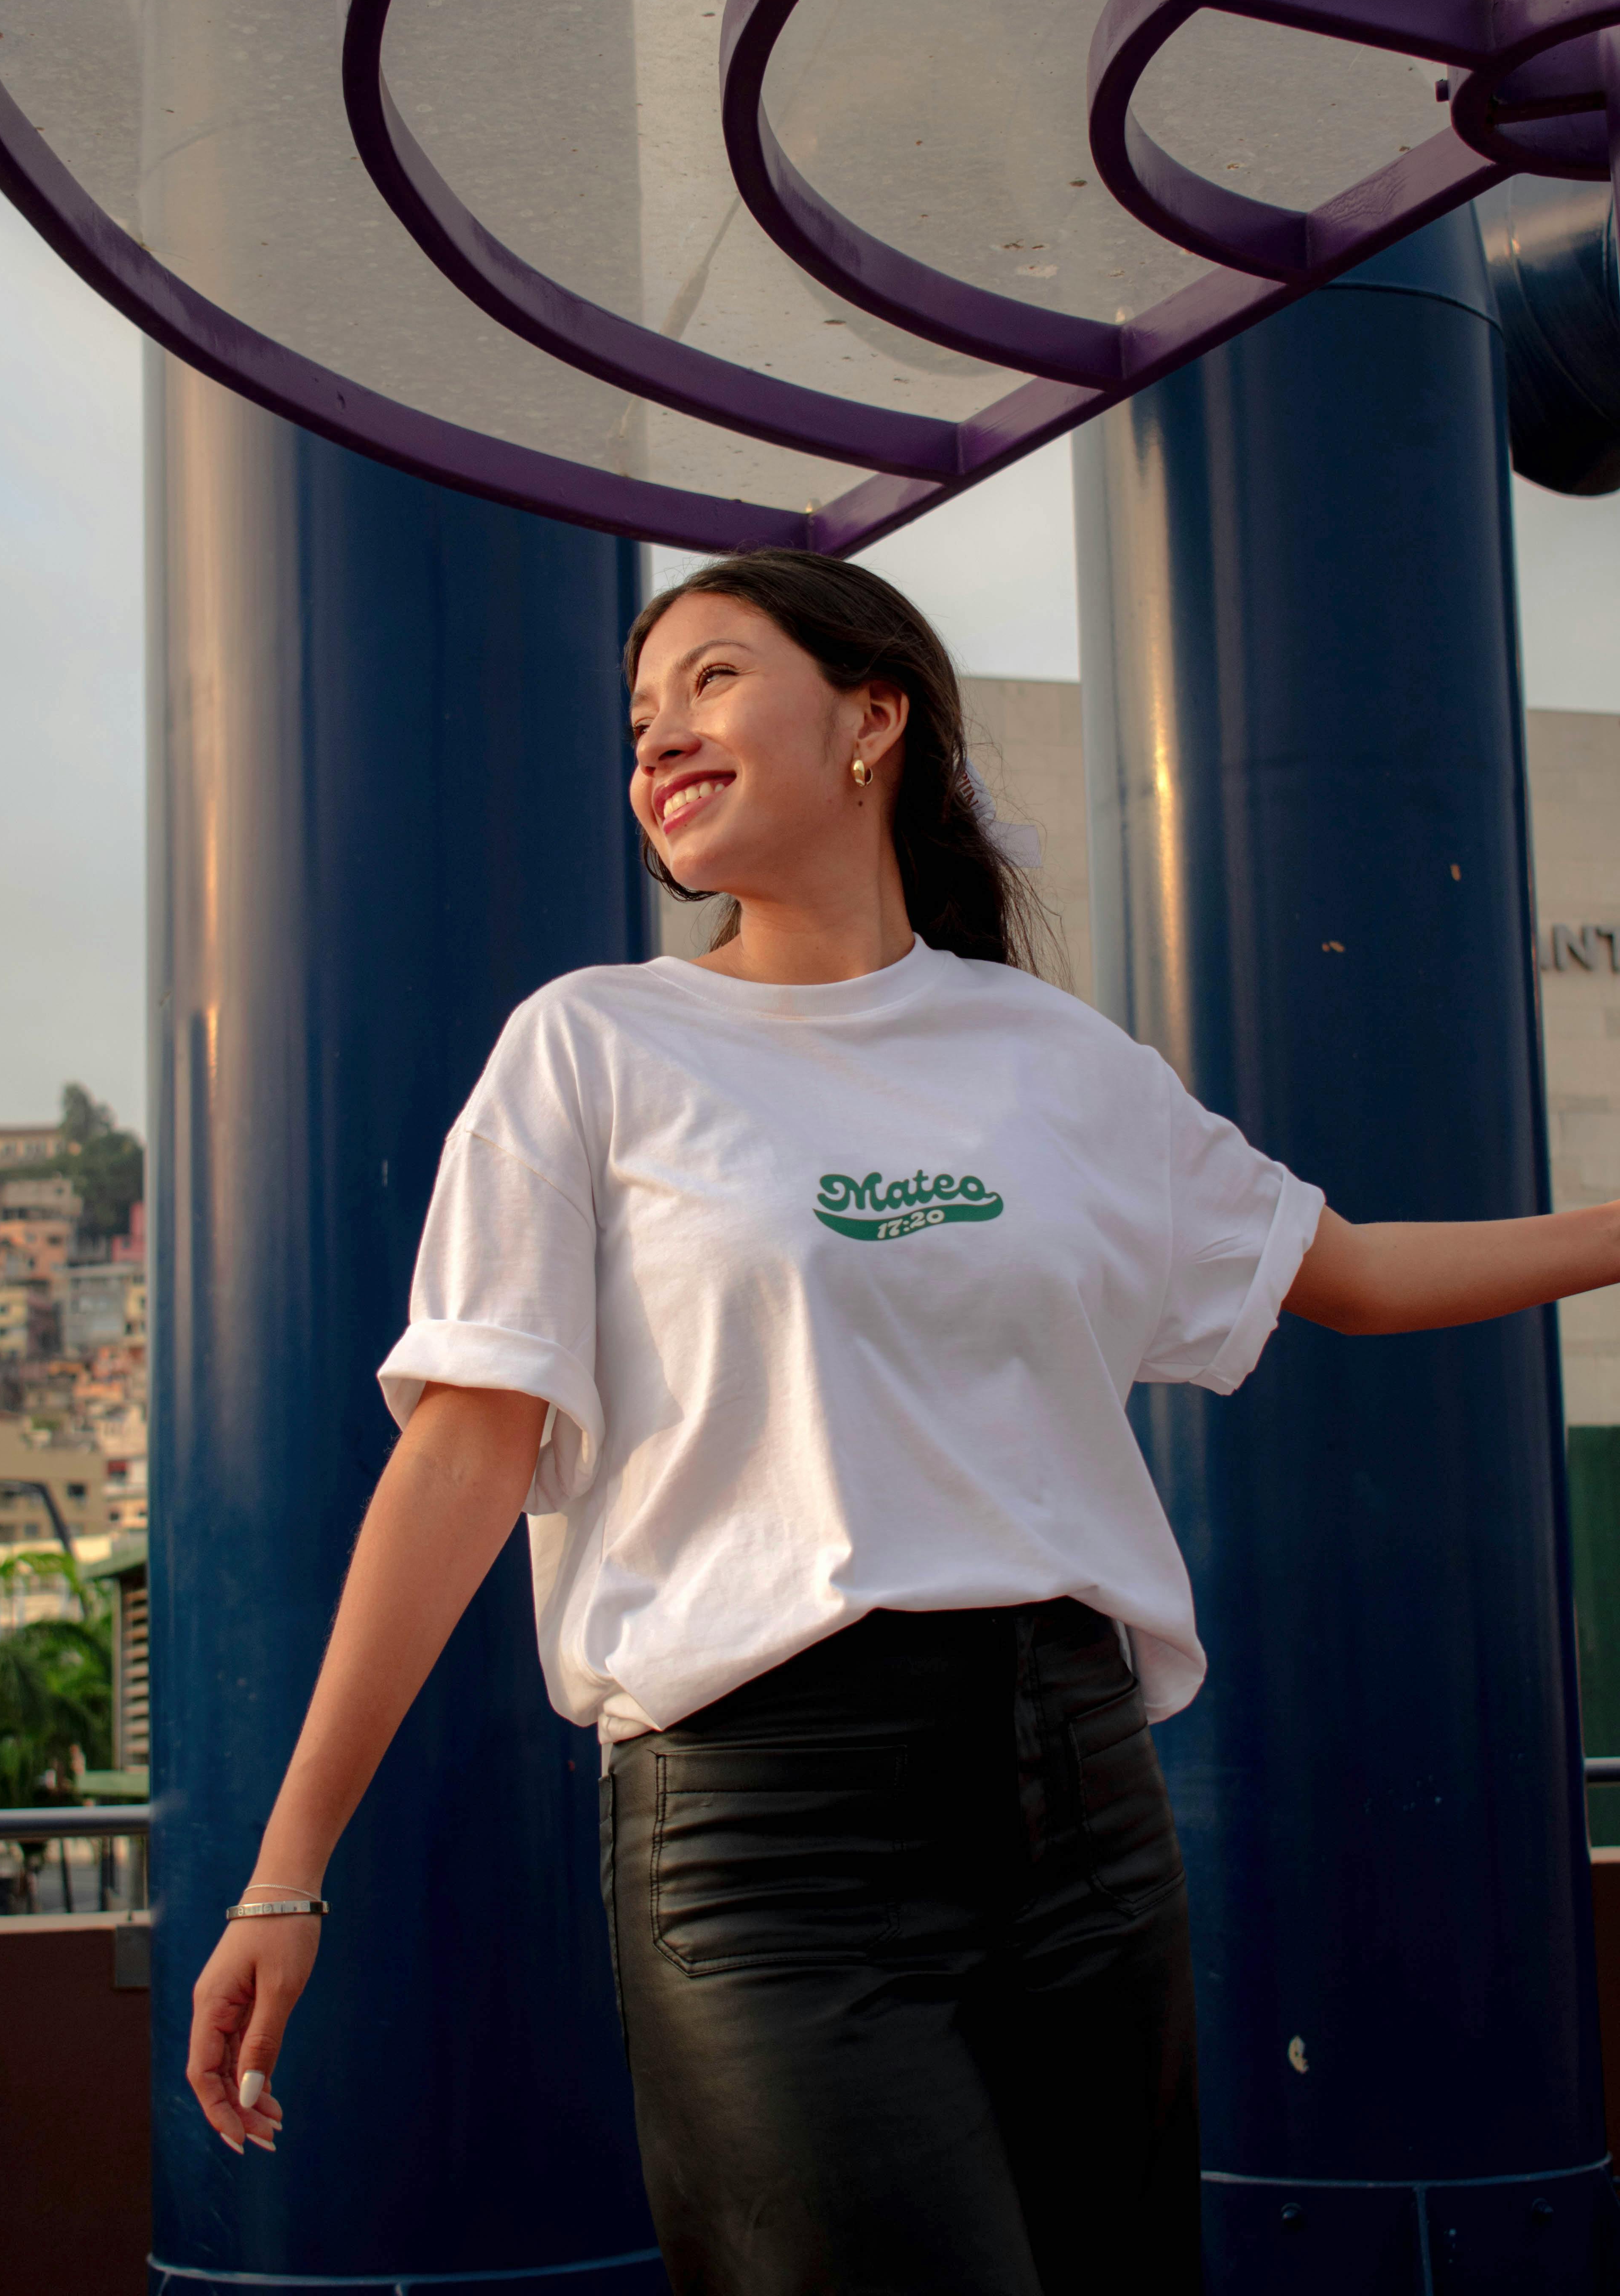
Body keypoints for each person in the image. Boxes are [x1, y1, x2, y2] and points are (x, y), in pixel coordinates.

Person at [187, 548, 1620, 2293]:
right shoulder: (592, 1046)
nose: (660, 738)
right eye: (640, 715)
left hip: (1080, 1809)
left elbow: (1354, 1271)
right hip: (769, 1841)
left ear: (872, 719)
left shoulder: (1048, 1054)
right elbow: (468, 1452)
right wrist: (285, 1871)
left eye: (712, 680)